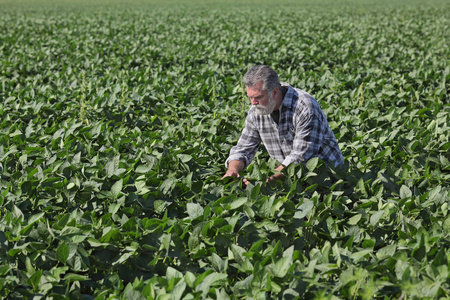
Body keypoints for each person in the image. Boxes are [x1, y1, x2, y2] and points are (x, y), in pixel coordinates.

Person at [222, 65, 344, 186]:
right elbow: (243, 148)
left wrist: (265, 181)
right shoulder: (256, 111)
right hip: (287, 178)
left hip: (328, 178)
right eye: (250, 97)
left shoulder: (305, 107)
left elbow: (301, 157)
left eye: (258, 97)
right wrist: (233, 169)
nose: (253, 103)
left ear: (275, 91)